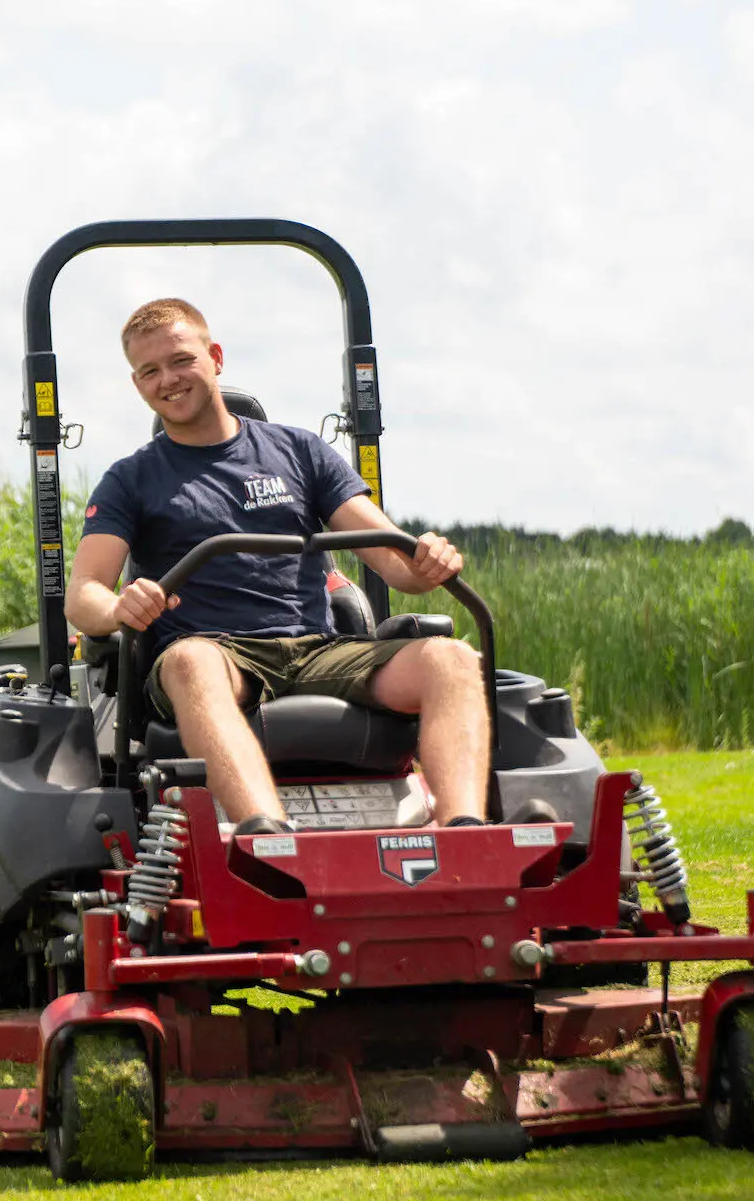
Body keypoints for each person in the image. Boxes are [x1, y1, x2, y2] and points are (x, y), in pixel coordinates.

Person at [64, 298, 489, 834]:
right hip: (216, 656)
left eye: (180, 360)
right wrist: (121, 605)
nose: (167, 379)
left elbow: (393, 559)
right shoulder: (130, 479)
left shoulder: (300, 452)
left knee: (451, 659)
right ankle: (266, 834)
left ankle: (465, 833)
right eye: (150, 371)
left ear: (215, 356)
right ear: (138, 385)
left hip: (317, 651)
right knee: (189, 663)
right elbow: (84, 594)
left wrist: (426, 562)